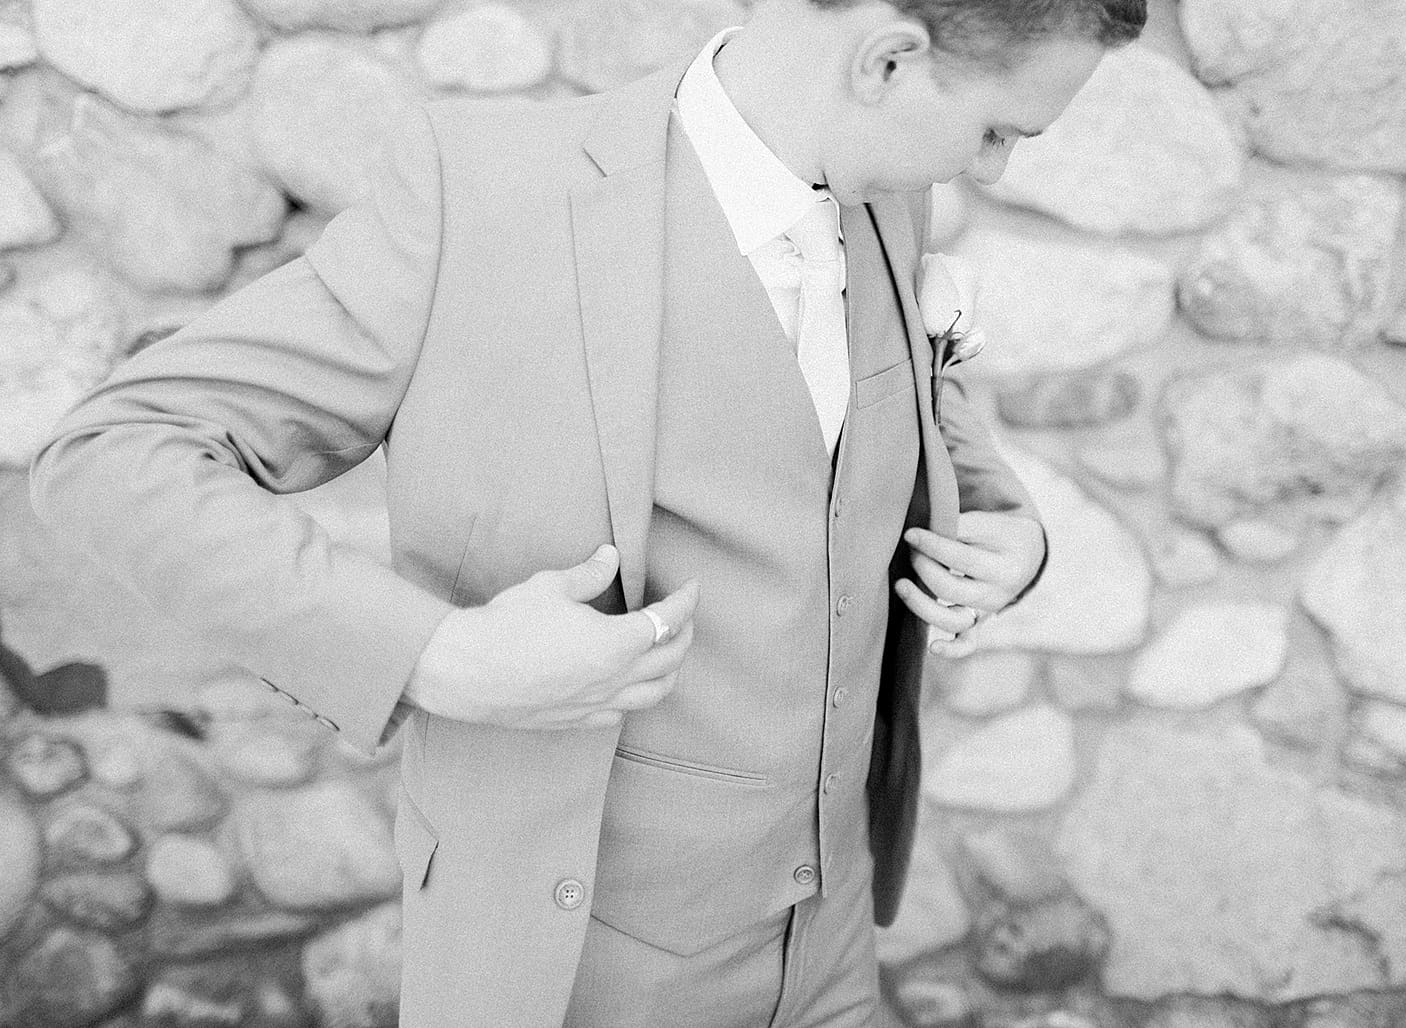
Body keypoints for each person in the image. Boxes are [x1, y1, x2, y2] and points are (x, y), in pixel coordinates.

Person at [29, 0, 1142, 1023]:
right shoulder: (482, 197)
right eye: (999, 131)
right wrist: (434, 654)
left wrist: (1006, 523)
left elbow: (885, 409)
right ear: (887, 59)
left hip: (833, 946)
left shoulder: (884, 187)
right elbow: (112, 452)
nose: (990, 171)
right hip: (571, 969)